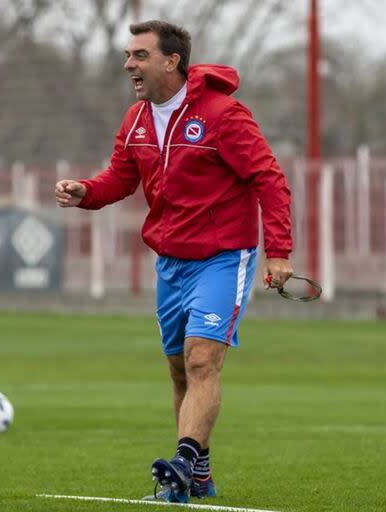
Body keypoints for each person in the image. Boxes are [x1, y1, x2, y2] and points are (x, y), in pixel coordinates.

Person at [54, 21, 293, 502]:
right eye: (128, 55)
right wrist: (85, 192)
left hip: (224, 256)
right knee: (180, 370)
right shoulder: (136, 120)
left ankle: (181, 464)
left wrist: (280, 251)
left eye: (140, 55)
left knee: (203, 358)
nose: (129, 65)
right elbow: (119, 180)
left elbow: (269, 178)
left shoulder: (224, 114)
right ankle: (200, 475)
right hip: (170, 262)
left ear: (172, 61)